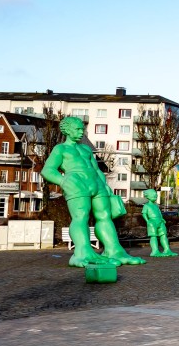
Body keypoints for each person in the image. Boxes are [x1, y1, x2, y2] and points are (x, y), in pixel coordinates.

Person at [41, 115, 144, 268]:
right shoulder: (60, 149)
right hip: (77, 184)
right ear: (67, 130)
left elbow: (96, 169)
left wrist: (107, 187)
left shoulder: (86, 149)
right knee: (80, 217)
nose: (81, 132)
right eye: (77, 129)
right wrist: (63, 181)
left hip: (97, 184)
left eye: (82, 129)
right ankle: (82, 252)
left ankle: (114, 251)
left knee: (105, 217)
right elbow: (47, 170)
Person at [141, 188, 178, 257]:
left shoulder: (156, 205)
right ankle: (155, 251)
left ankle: (167, 250)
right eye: (153, 195)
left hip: (160, 221)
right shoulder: (146, 205)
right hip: (152, 222)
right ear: (147, 196)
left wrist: (162, 219)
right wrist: (148, 221)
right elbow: (144, 214)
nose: (155, 197)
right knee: (153, 236)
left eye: (156, 195)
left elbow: (159, 213)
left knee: (163, 235)